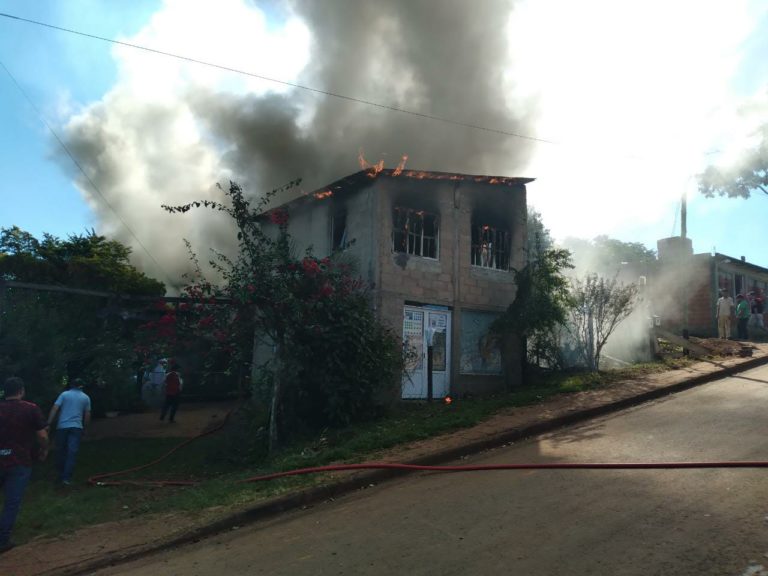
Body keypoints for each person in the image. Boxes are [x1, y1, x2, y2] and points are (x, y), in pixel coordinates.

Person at [0, 377, 48, 553]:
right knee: (11, 502)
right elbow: (42, 436)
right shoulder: (31, 409)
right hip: (19, 461)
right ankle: (2, 540)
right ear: (21, 391)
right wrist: (44, 450)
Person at [47, 378, 91, 486]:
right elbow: (87, 415)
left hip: (62, 426)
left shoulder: (64, 395)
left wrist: (48, 423)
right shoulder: (86, 397)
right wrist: (85, 428)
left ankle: (59, 473)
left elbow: (55, 408)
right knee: (72, 452)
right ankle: (66, 478)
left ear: (71, 385)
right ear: (81, 386)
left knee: (60, 450)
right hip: (76, 427)